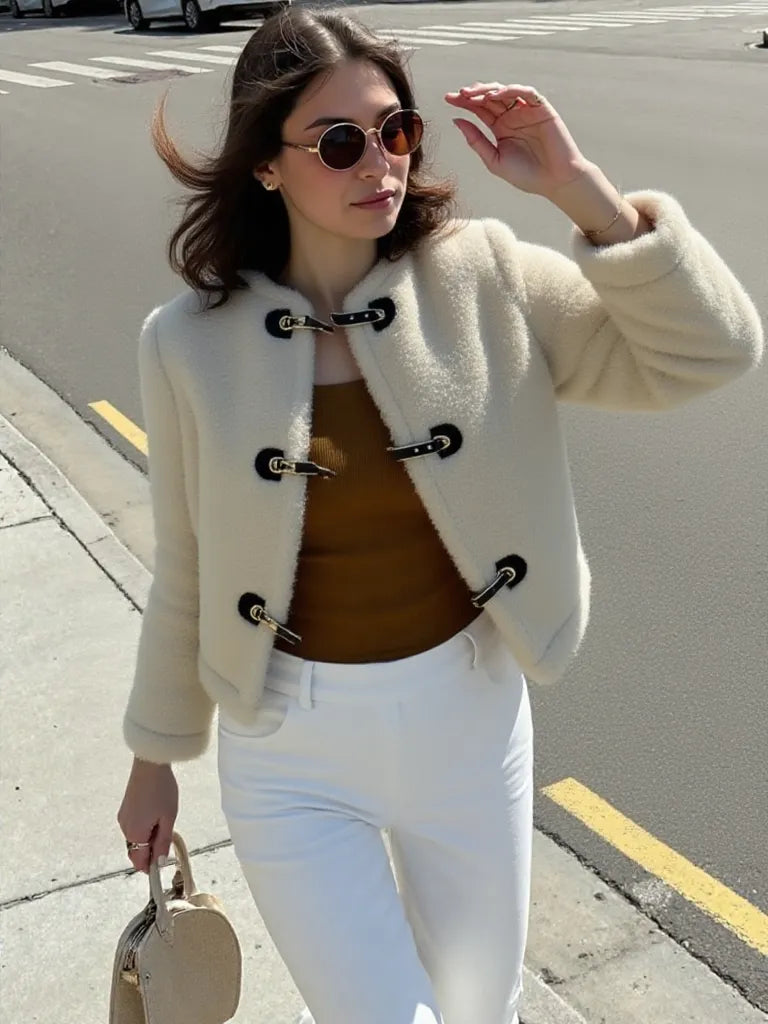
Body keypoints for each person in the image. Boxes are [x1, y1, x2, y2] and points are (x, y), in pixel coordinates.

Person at [116, 7, 763, 1024]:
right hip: (288, 749)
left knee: (480, 1009)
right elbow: (188, 562)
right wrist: (154, 759)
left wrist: (579, 190)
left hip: (467, 722)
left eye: (396, 130)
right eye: (340, 142)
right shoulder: (187, 343)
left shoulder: (486, 277)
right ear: (267, 166)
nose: (379, 162)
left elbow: (710, 351)